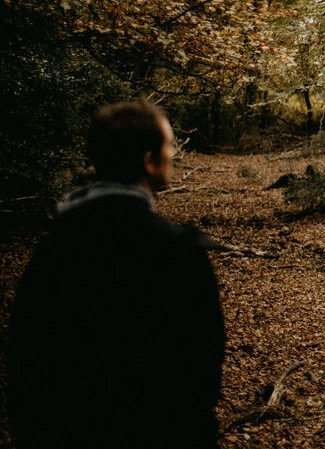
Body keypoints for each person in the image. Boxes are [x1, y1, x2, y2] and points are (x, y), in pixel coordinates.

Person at [7, 100, 225, 448]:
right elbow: (200, 377)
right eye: (168, 147)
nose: (171, 156)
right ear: (148, 160)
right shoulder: (178, 251)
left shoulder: (53, 249)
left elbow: (25, 360)